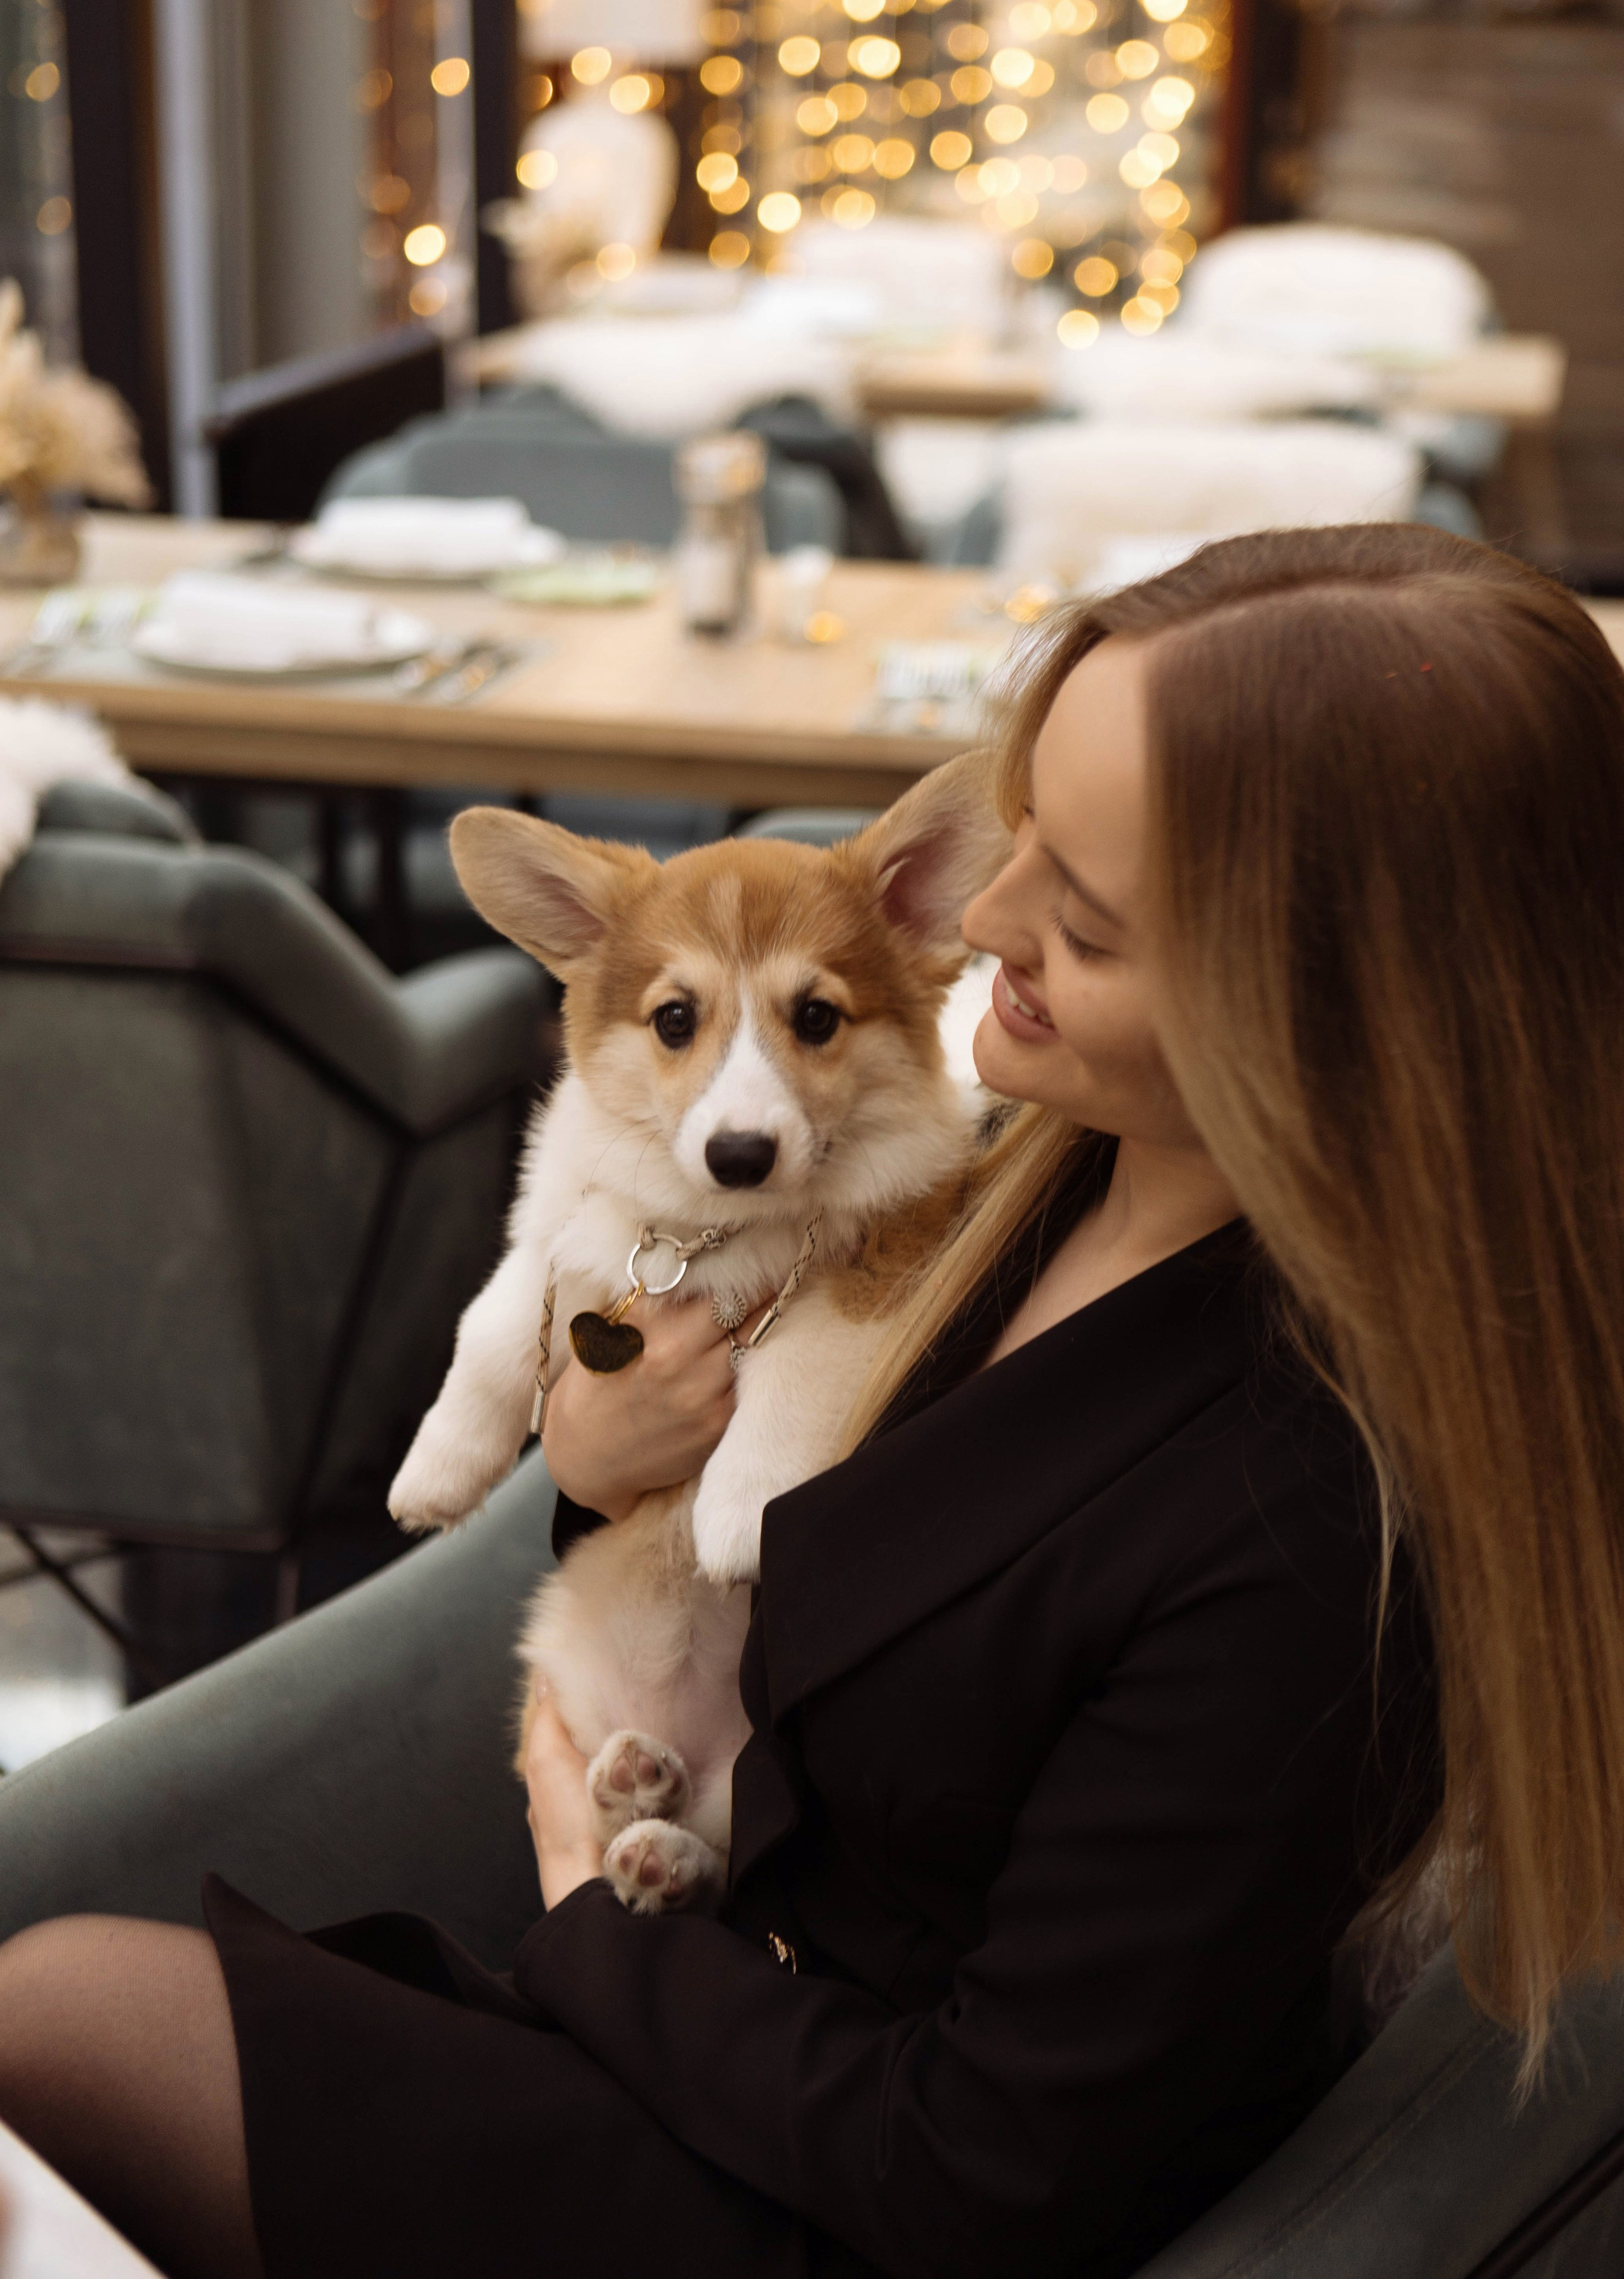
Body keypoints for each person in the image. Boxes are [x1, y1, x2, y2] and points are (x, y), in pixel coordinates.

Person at [3, 522, 1621, 2279]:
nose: (976, 924)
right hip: (708, 1979)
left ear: (1318, 1007)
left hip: (818, 2177)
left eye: (1076, 916)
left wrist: (583, 1906)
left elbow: (982, 2170)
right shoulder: (1019, 1180)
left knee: (57, 2018)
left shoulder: (1301, 1531)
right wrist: (597, 1470)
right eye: (1020, 847)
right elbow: (793, 1524)